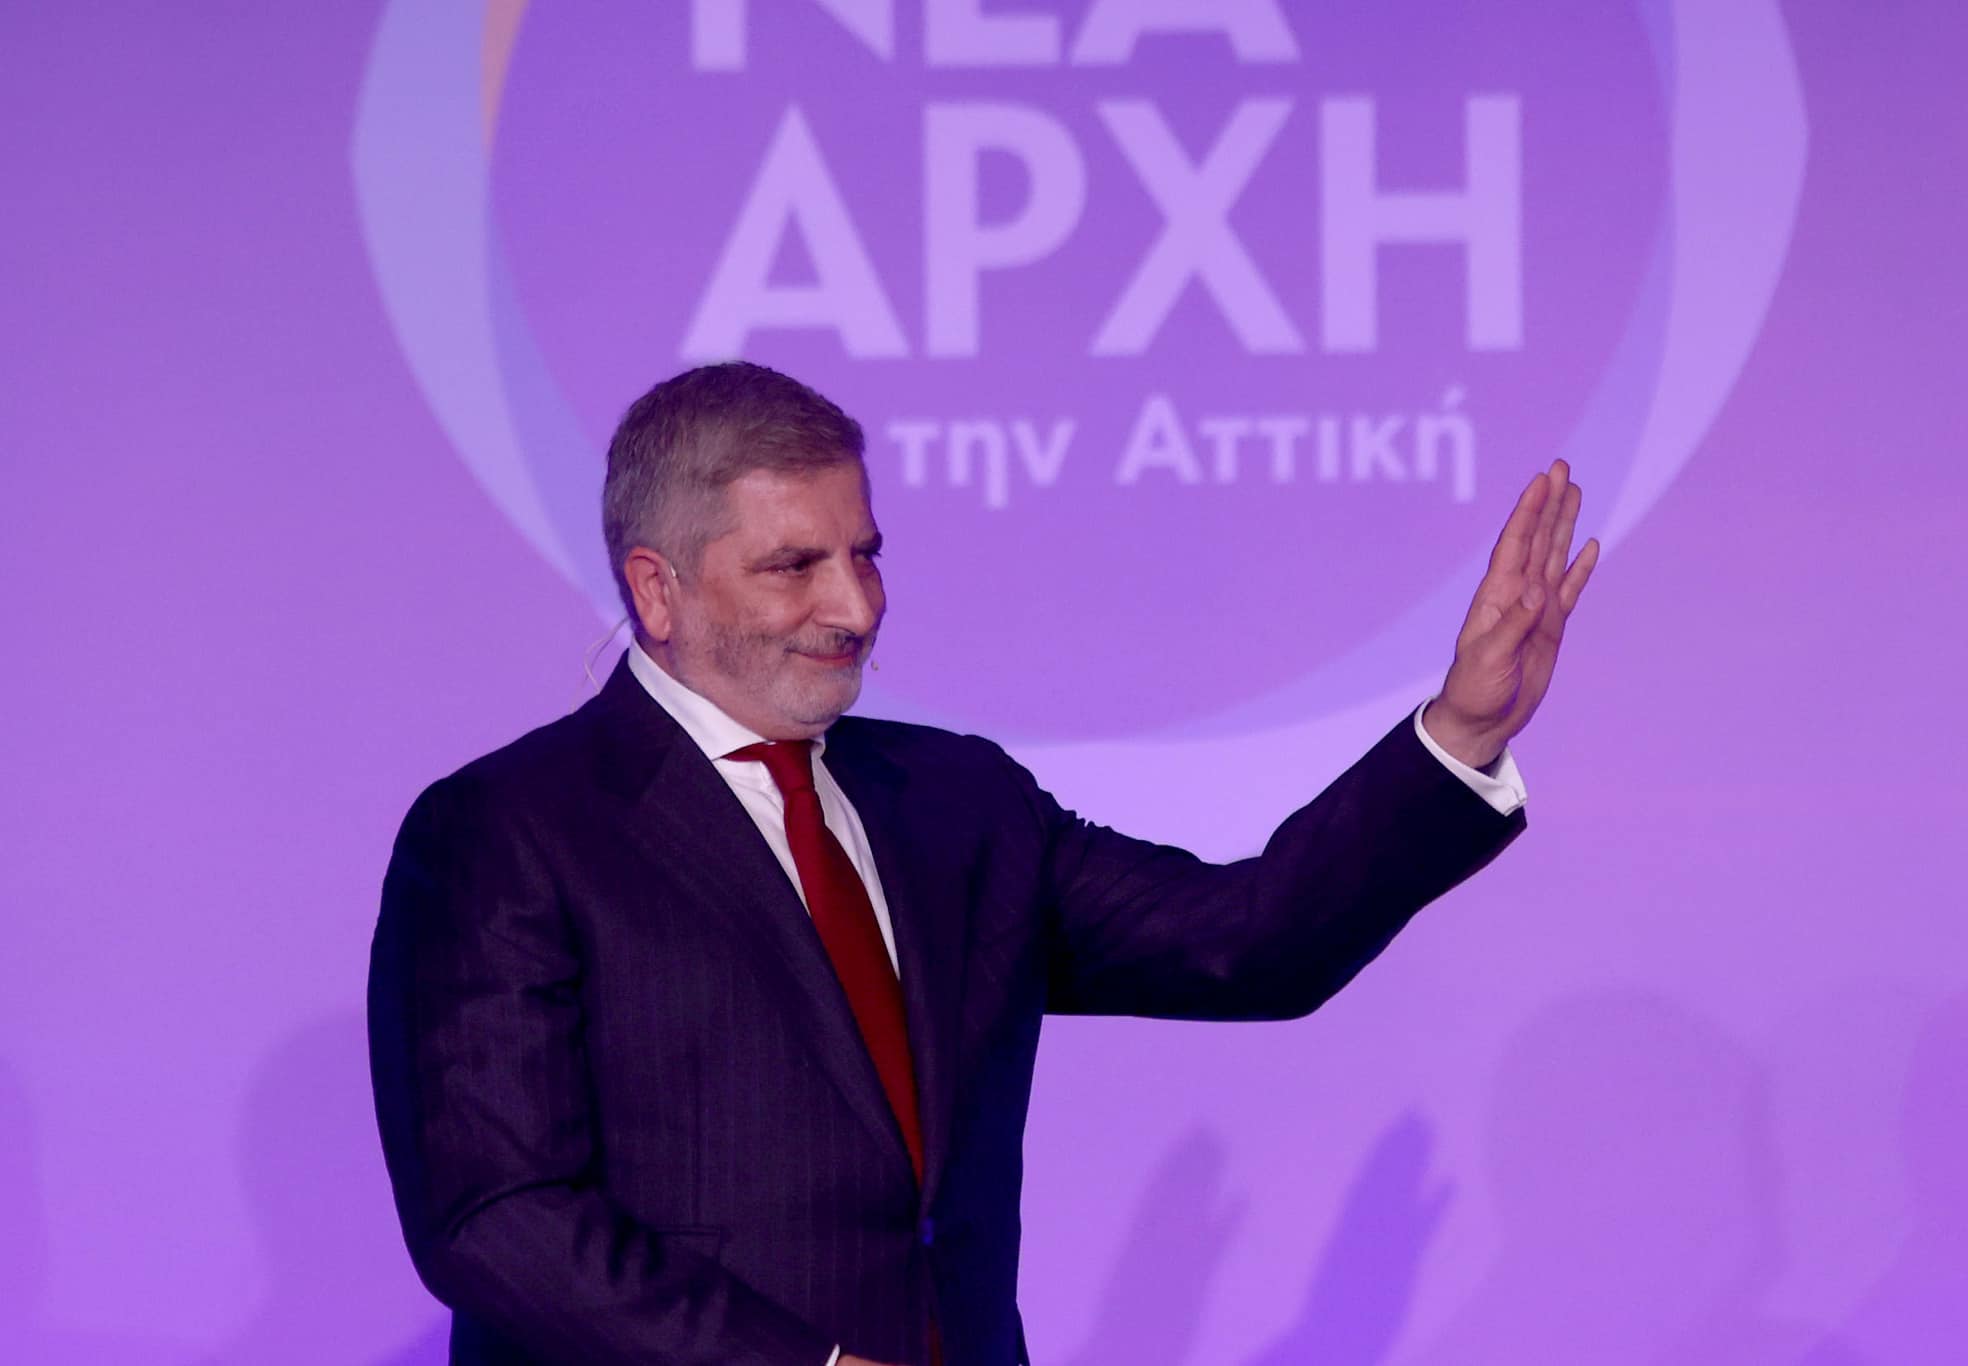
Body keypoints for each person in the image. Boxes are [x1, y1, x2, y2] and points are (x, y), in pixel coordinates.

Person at [367, 362, 1599, 1366]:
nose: (855, 607)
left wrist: (1459, 734)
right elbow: (497, 1216)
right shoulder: (508, 830)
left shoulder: (957, 802)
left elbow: (1249, 940)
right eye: (794, 566)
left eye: (865, 552)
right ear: (658, 589)